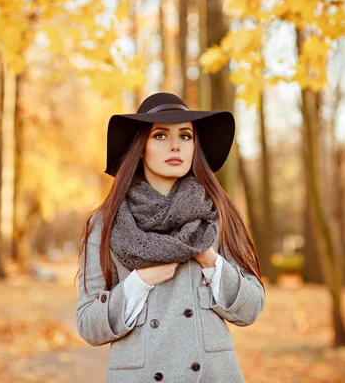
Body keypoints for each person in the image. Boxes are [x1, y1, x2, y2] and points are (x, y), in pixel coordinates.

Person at [75, 92, 265, 382]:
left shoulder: (217, 215)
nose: (176, 145)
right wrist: (138, 284)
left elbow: (251, 308)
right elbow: (89, 324)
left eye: (186, 136)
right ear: (140, 148)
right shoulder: (105, 223)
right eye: (161, 136)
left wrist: (211, 262)